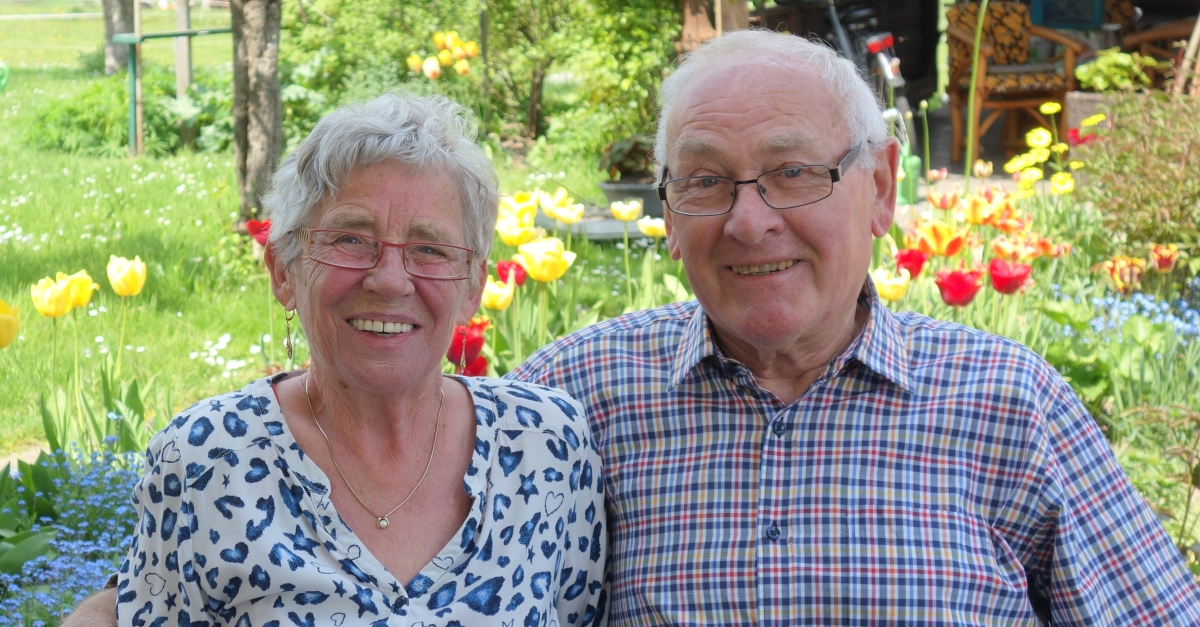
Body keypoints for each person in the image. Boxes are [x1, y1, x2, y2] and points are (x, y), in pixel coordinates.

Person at [505, 30, 1200, 625]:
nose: (749, 222)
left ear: (882, 187)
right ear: (669, 216)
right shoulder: (574, 399)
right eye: (706, 181)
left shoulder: (1012, 405)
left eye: (795, 171)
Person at [105, 93, 605, 626]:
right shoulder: (207, 460)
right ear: (282, 270)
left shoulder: (547, 447)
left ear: (473, 287)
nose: (390, 280)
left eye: (430, 248)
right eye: (350, 239)